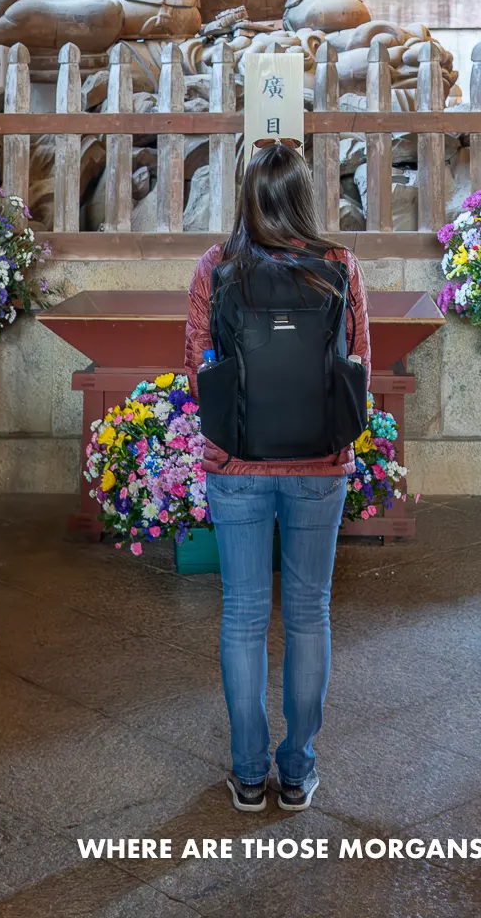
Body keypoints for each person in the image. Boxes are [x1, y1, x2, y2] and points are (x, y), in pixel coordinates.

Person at [185, 142, 371, 815]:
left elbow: (198, 370)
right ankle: (297, 772)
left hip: (236, 462)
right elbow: (360, 367)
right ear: (304, 197)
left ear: (245, 197)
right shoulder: (339, 267)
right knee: (309, 613)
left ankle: (248, 772)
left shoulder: (216, 267)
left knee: (242, 618)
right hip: (320, 463)